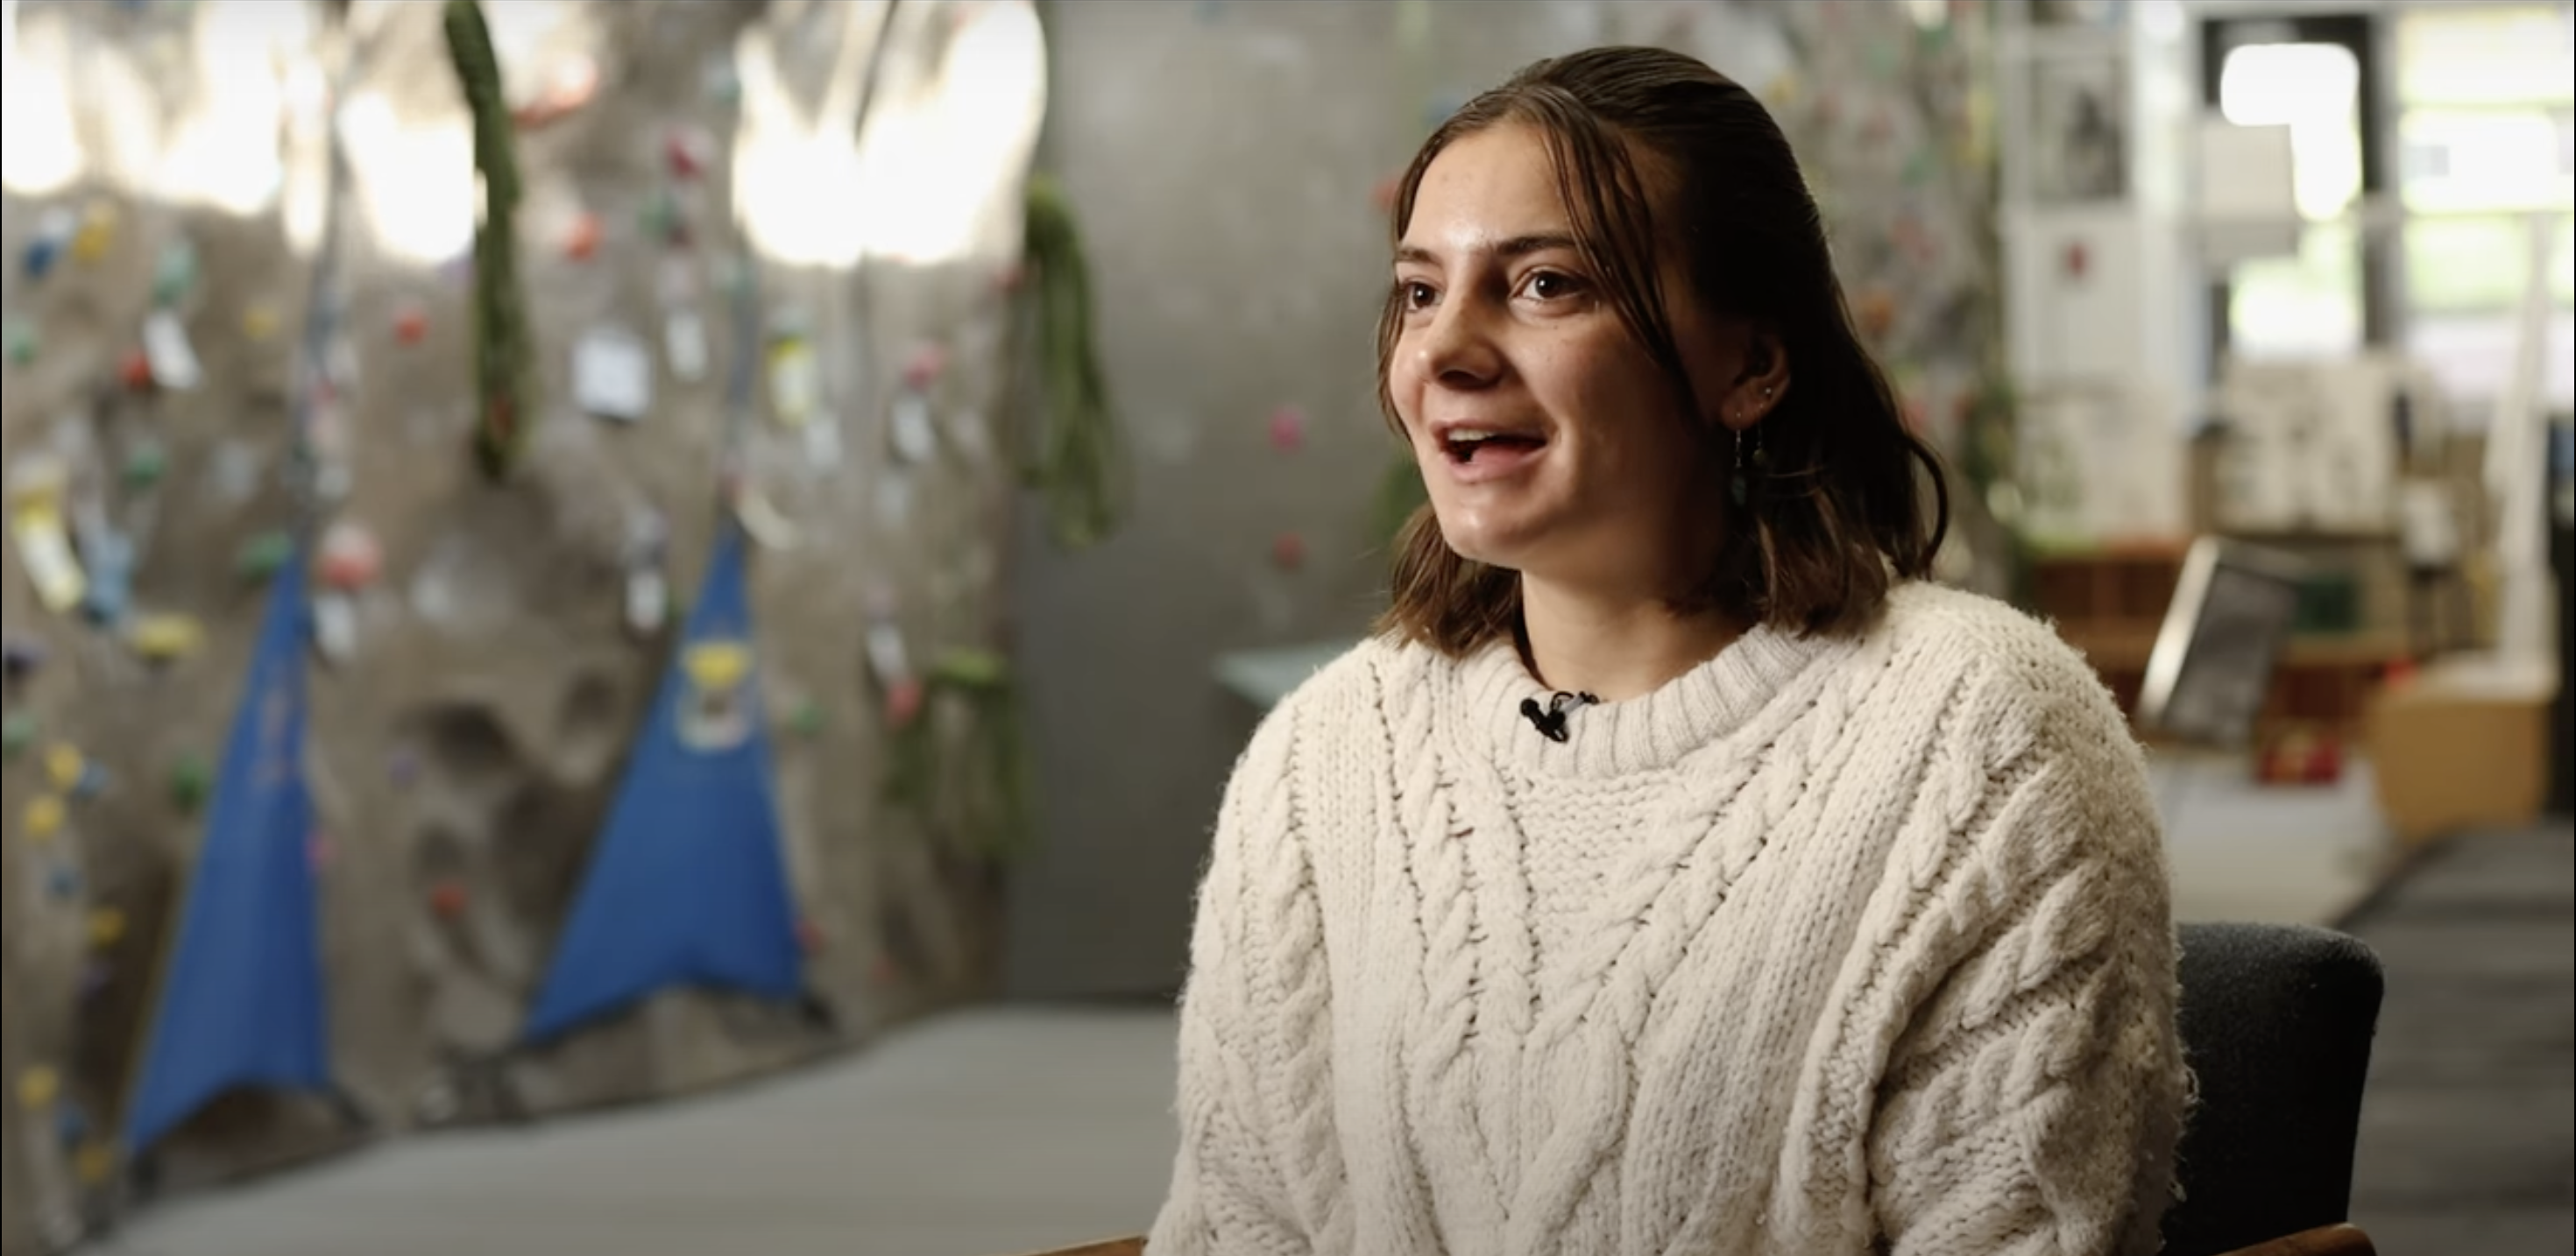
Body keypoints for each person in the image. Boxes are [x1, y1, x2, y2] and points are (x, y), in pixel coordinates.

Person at [1148, 46, 2190, 1256]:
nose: (1445, 353)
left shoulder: (1979, 736)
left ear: (1750, 363)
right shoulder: (1326, 753)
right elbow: (1235, 1222)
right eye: (1422, 291)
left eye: (1544, 285)